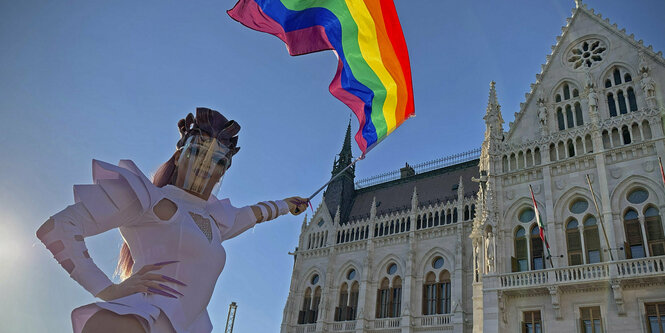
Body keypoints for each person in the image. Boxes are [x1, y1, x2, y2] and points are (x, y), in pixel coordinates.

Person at [36, 107, 309, 333]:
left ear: (223, 171)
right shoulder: (147, 198)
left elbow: (259, 213)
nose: (205, 165)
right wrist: (105, 289)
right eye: (197, 152)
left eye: (218, 160)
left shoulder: (217, 222)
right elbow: (59, 227)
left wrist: (289, 205)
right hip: (135, 324)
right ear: (179, 155)